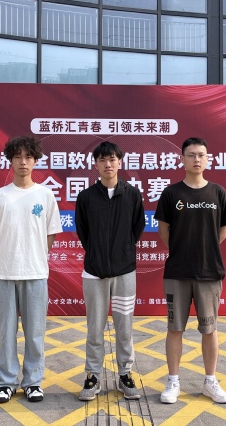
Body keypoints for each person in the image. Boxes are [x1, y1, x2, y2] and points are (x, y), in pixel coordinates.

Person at [154, 137, 226, 405]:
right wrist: (182, 250)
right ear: (182, 159)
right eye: (191, 155)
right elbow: (163, 230)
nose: (196, 159)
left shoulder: (218, 193)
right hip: (177, 272)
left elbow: (224, 230)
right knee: (174, 328)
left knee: (209, 330)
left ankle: (210, 381)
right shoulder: (171, 193)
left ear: (208, 159)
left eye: (201, 155)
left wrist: (205, 250)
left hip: (209, 272)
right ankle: (173, 381)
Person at [0, 135, 62, 404]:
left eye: (28, 157)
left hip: (36, 272)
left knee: (35, 332)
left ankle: (33, 382)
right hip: (4, 272)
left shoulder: (45, 195)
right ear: (10, 161)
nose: (23, 162)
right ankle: (6, 383)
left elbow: (50, 234)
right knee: (6, 333)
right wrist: (11, 253)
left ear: (35, 160)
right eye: (18, 157)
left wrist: (32, 254)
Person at [75, 141, 146, 401]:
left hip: (124, 272)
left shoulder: (132, 194)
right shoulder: (86, 197)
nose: (108, 164)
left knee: (124, 326)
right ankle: (93, 376)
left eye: (112, 159)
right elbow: (83, 231)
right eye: (103, 160)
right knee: (94, 328)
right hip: (94, 273)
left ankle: (125, 373)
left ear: (120, 162)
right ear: (95, 164)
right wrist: (97, 253)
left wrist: (121, 252)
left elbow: (137, 228)